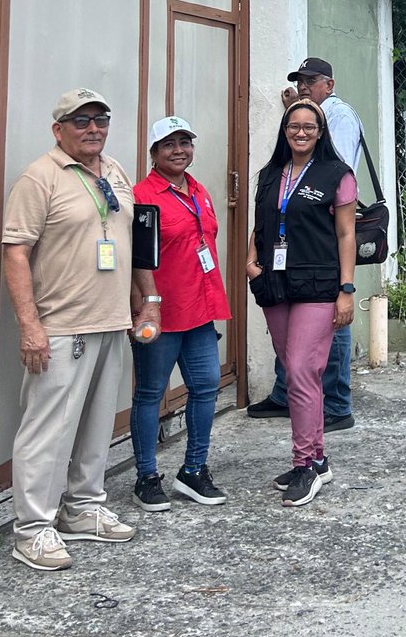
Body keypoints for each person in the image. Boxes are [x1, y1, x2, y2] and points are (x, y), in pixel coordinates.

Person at [2, 88, 161, 571]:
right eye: (81, 121)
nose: (93, 128)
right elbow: (15, 253)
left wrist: (149, 301)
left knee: (97, 425)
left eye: (101, 119)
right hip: (61, 326)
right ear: (59, 129)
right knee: (48, 432)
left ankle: (83, 508)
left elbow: (133, 241)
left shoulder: (114, 171)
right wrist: (30, 326)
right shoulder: (40, 177)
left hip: (111, 320)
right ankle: (33, 530)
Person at [246, 99, 357, 508]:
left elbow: (346, 235)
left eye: (310, 126)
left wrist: (346, 289)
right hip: (275, 284)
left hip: (318, 284)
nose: (301, 133)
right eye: (294, 126)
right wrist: (250, 263)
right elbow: (260, 224)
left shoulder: (337, 175)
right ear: (285, 130)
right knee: (296, 373)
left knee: (300, 369)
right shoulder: (270, 173)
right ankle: (318, 457)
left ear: (320, 132)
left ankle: (304, 464)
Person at [248, 57, 362, 431]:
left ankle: (336, 403)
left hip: (321, 238)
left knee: (333, 320)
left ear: (329, 85)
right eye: (300, 81)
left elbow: (330, 173)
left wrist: (347, 287)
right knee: (293, 343)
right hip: (289, 247)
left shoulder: (338, 116)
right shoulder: (295, 127)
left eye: (311, 81)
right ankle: (288, 394)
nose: (303, 87)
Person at [129, 116, 232, 512]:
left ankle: (193, 470)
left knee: (206, 386)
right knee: (151, 393)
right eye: (169, 144)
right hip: (162, 312)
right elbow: (137, 259)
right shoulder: (143, 196)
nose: (178, 150)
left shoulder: (199, 190)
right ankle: (146, 477)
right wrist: (143, 305)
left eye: (185, 142)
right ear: (154, 152)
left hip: (200, 309)